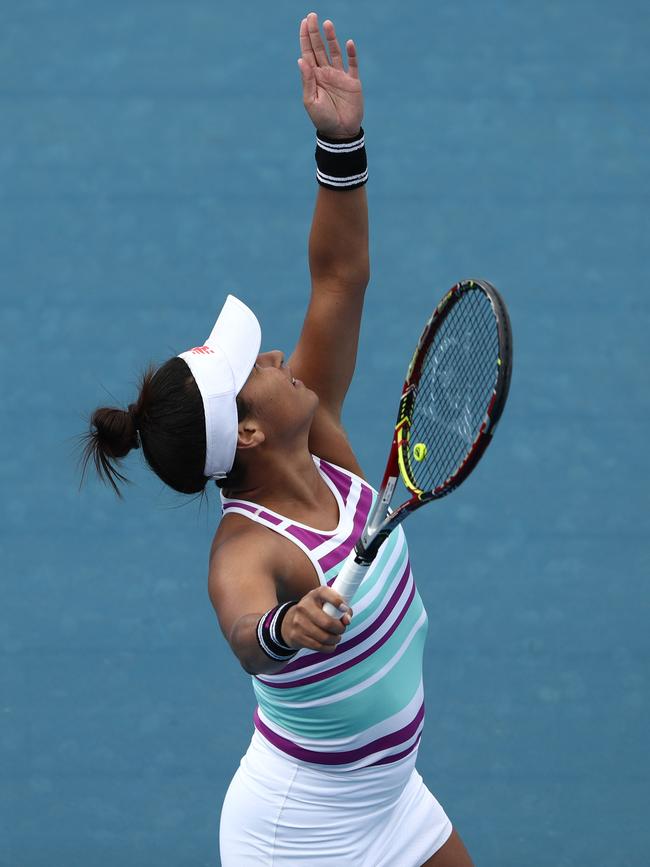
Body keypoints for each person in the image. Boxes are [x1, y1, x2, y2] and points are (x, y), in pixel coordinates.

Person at [80, 12, 474, 867]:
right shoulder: (245, 548)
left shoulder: (316, 428)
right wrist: (285, 627)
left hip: (393, 795)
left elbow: (339, 275)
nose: (269, 354)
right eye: (250, 367)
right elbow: (243, 624)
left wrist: (342, 142)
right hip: (301, 832)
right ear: (250, 429)